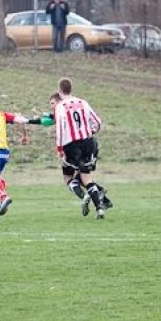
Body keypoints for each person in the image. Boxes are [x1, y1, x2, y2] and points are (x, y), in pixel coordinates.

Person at [28, 92, 114, 211]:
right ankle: (102, 199)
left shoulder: (63, 110)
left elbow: (51, 121)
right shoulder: (71, 108)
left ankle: (96, 195)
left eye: (53, 103)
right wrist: (43, 115)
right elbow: (50, 120)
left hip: (76, 146)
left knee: (76, 176)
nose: (52, 106)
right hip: (88, 143)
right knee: (81, 176)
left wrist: (29, 120)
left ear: (59, 101)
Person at [54, 78, 107, 218]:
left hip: (71, 144)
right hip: (87, 142)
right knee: (87, 177)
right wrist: (91, 132)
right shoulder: (83, 102)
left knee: (67, 177)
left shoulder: (60, 106)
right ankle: (99, 208)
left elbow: (59, 127)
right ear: (71, 89)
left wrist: (59, 149)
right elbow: (97, 122)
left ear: (59, 91)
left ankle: (83, 197)